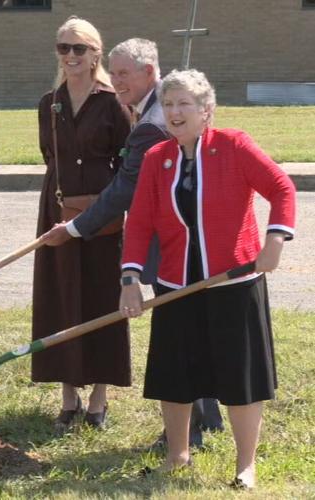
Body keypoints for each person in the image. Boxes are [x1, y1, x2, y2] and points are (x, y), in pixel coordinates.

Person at [40, 38, 223, 446]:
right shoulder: (156, 110)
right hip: (194, 240)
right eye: (115, 71)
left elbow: (124, 189)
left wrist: (75, 228)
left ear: (149, 72)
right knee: (194, 327)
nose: (116, 80)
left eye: (123, 73)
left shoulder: (153, 124)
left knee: (181, 335)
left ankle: (190, 429)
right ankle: (206, 418)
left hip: (180, 244)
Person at [120, 69, 295, 489]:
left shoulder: (234, 146)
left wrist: (274, 240)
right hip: (175, 286)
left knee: (240, 376)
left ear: (206, 110)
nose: (175, 112)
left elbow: (282, 189)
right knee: (175, 374)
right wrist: (130, 279)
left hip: (234, 284)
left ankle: (245, 465)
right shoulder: (157, 157)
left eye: (185, 103)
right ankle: (178, 455)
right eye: (169, 104)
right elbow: (139, 222)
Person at [32, 17, 131, 432]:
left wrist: (107, 204)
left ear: (95, 54)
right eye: (63, 48)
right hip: (57, 207)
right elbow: (48, 155)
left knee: (101, 295)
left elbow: (127, 162)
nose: (70, 56)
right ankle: (68, 397)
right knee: (61, 295)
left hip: (101, 211)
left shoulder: (113, 103)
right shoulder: (49, 103)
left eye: (78, 48)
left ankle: (98, 400)